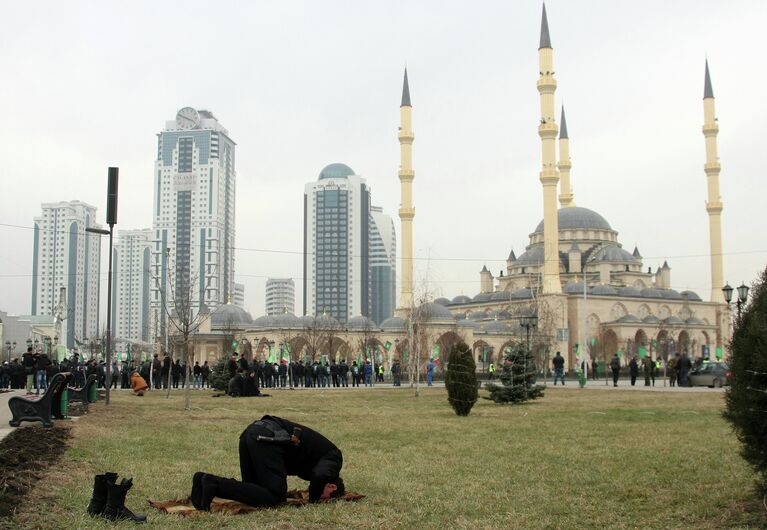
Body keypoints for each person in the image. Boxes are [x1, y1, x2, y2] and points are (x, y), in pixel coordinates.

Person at [191, 415, 345, 510]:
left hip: (252, 434)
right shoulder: (334, 457)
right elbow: (320, 475)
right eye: (327, 497)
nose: (323, 498)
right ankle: (214, 484)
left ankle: (204, 480)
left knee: (254, 493)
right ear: (332, 486)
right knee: (276, 497)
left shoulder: (319, 460)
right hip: (268, 439)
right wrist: (314, 500)